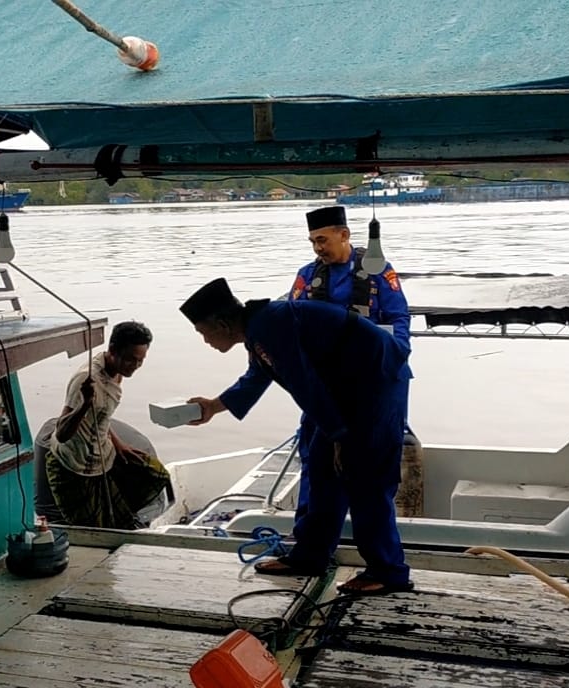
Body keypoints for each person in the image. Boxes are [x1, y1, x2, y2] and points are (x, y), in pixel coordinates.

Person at [181, 277, 412, 595]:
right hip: (342, 391)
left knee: (365, 477)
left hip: (374, 384)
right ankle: (309, 556)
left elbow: (306, 386)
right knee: (321, 469)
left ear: (221, 323)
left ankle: (388, 571)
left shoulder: (271, 324)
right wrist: (213, 407)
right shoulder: (259, 329)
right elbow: (256, 377)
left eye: (202, 332)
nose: (205, 340)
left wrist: (340, 435)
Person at [288, 205, 414, 541]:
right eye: (313, 241)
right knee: (314, 463)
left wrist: (392, 356)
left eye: (323, 240)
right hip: (327, 386)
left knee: (372, 472)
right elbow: (289, 320)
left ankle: (380, 560)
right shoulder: (306, 276)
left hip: (378, 384)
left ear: (344, 235)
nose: (318, 248)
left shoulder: (378, 271)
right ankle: (308, 543)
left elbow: (400, 318)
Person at [44, 320, 171, 529]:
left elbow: (102, 415)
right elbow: (61, 434)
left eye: (140, 361)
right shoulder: (86, 379)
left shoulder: (118, 372)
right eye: (130, 359)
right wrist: (85, 405)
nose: (135, 366)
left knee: (155, 475)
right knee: (95, 528)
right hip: (73, 465)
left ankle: (120, 513)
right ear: (112, 350)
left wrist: (118, 443)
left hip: (102, 454)